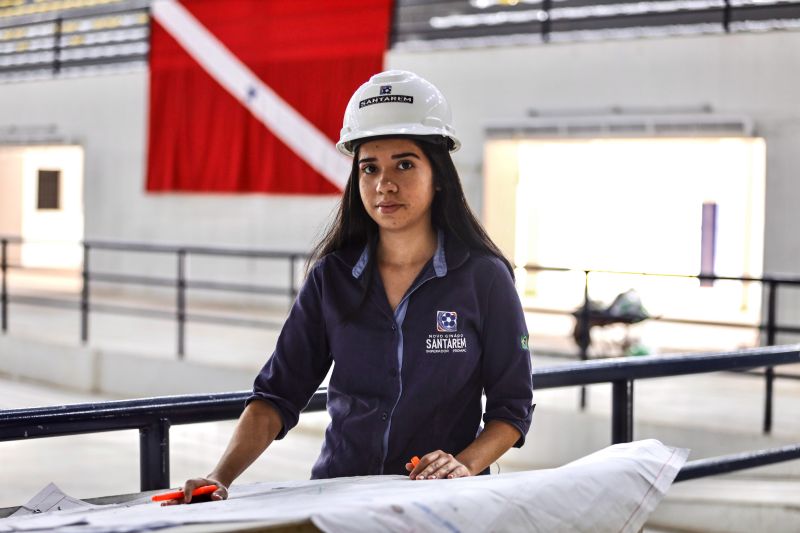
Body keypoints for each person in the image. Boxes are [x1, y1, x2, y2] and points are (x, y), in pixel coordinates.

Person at [173, 70, 534, 503]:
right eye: (369, 168)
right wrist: (221, 476)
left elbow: (511, 408)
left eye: (404, 164)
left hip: (440, 502)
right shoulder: (333, 278)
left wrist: (465, 463)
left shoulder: (484, 277)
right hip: (340, 497)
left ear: (438, 175)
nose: (385, 184)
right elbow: (277, 394)